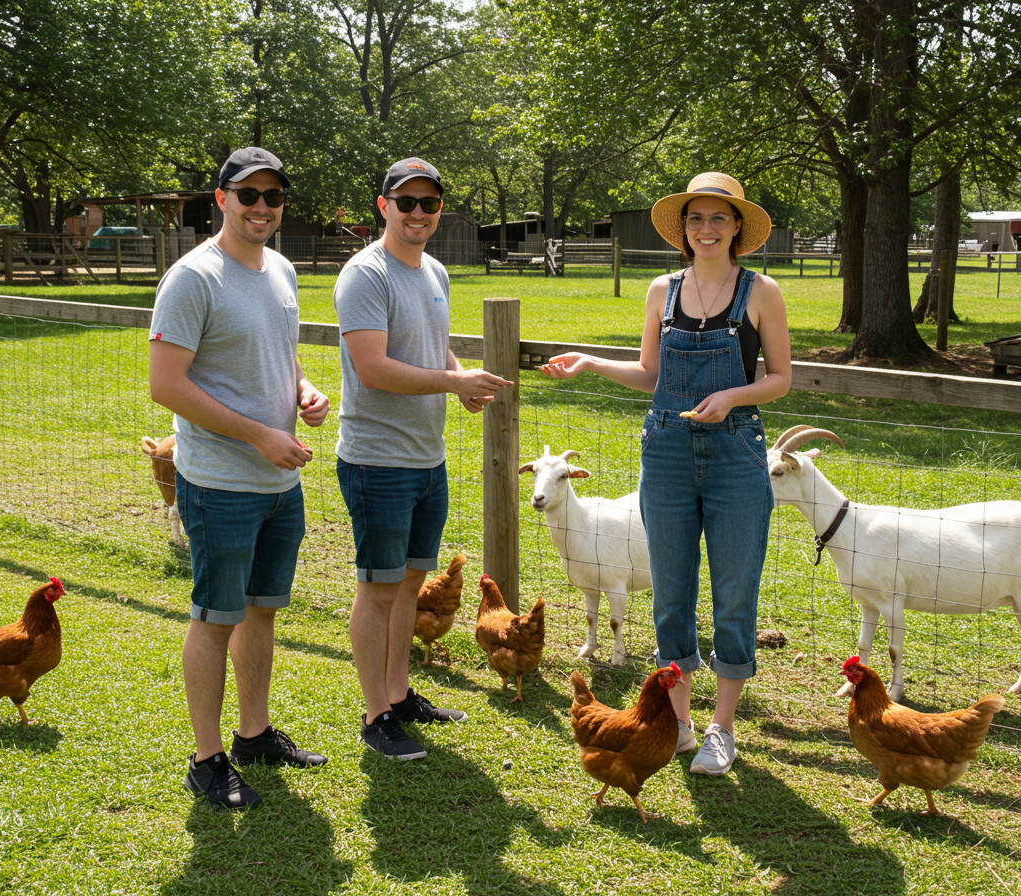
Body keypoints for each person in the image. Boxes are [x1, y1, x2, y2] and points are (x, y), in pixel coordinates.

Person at [541, 172, 791, 776]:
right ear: (684, 229)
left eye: (718, 219)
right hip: (669, 455)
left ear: (737, 227)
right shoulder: (662, 290)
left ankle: (721, 730)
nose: (706, 229)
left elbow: (780, 379)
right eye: (696, 219)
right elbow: (652, 374)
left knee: (734, 594)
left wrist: (731, 396)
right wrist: (590, 361)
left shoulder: (761, 292)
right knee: (671, 596)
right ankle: (679, 724)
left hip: (735, 456)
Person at [149, 147, 331, 809]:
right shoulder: (194, 278)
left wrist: (305, 393)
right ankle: (206, 760)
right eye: (247, 194)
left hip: (279, 485)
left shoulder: (280, 270)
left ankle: (253, 735)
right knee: (216, 618)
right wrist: (258, 434)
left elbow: (278, 360)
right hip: (221, 482)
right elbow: (165, 385)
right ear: (221, 197)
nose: (261, 207)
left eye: (273, 197)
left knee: (261, 612)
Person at [335, 157, 512, 760]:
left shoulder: (432, 269)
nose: (418, 214)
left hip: (424, 457)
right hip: (376, 460)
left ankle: (401, 693)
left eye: (428, 204)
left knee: (410, 584)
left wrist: (463, 380)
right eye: (405, 203)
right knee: (378, 590)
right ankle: (375, 713)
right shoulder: (366, 274)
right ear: (383, 207)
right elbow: (373, 369)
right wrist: (450, 383)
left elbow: (435, 352)